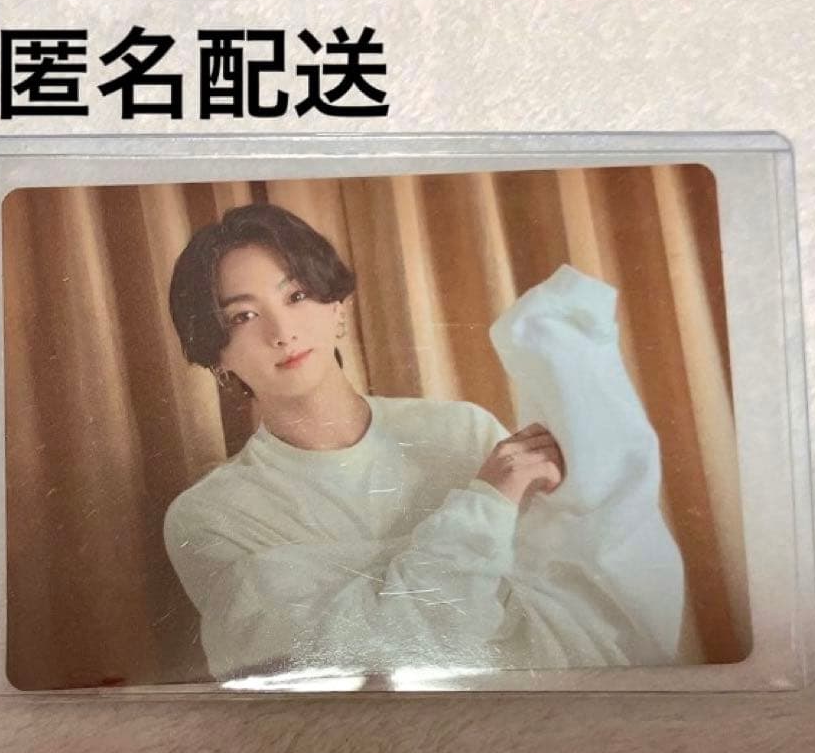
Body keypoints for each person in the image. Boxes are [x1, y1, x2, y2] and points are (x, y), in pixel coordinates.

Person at [164, 203, 570, 681]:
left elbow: (558, 612)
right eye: (243, 316)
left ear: (337, 309)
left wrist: (362, 593)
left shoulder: (465, 433)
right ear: (217, 358)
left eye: (296, 295)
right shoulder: (213, 516)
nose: (282, 332)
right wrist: (486, 506)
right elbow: (339, 662)